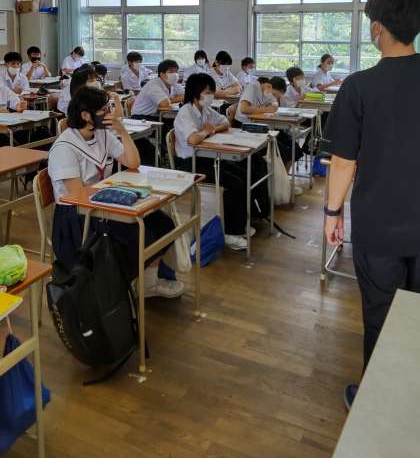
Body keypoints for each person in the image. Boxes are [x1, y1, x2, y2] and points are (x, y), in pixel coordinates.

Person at [323, 0, 420, 411]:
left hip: (379, 225)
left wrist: (332, 213)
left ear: (378, 28)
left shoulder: (359, 86)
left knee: (381, 314)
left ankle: (378, 403)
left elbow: (343, 162)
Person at [48, 86, 183, 297]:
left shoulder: (101, 134)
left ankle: (145, 283)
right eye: (104, 110)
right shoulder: (64, 147)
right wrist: (116, 195)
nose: (109, 113)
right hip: (77, 217)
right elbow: (78, 196)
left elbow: (132, 162)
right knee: (141, 236)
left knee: (163, 223)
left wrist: (122, 132)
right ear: (86, 116)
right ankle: (117, 287)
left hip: (102, 204)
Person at [174, 73, 268, 251]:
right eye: (207, 92)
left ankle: (241, 222)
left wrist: (212, 129)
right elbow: (192, 140)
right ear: (195, 93)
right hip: (189, 164)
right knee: (234, 183)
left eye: (212, 92)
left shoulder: (205, 110)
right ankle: (231, 233)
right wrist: (206, 132)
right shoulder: (185, 112)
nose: (211, 96)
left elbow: (225, 122)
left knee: (244, 174)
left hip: (206, 157)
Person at [236, 76, 304, 172]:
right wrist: (266, 109)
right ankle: (277, 179)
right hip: (246, 128)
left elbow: (275, 106)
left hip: (263, 126)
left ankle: (284, 178)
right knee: (282, 150)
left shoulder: (268, 93)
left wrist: (270, 107)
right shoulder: (253, 87)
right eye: (275, 94)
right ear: (269, 86)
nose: (274, 97)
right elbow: (244, 109)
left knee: (294, 147)